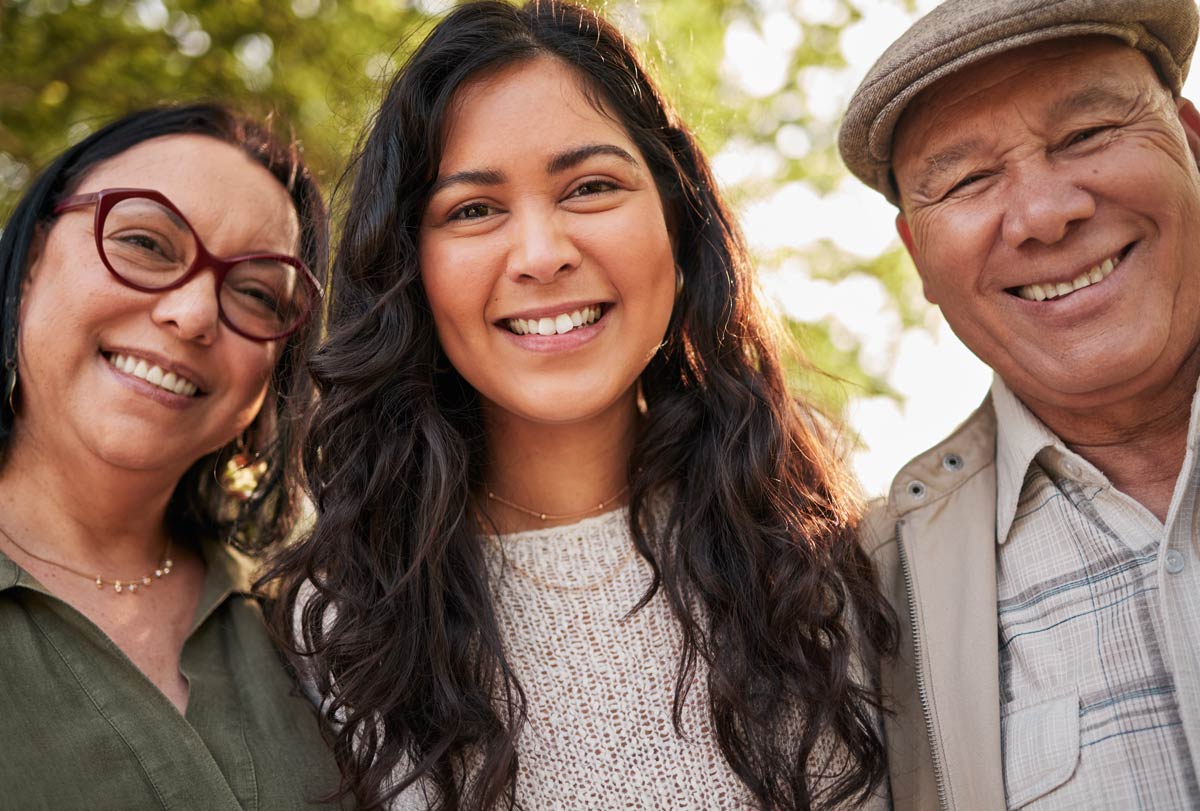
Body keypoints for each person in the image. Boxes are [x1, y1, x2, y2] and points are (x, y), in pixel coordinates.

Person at [266, 2, 896, 809]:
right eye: (473, 209)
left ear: (678, 220)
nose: (541, 255)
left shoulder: (833, 557)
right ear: (408, 267)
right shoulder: (333, 629)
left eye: (591, 187)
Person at [838, 0, 1200, 808]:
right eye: (967, 181)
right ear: (917, 259)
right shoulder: (877, 604)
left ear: (1191, 140)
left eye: (1087, 134)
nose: (1044, 214)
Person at [0, 103, 344, 808]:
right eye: (148, 244)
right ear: (34, 261)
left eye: (254, 292)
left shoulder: (314, 623)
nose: (191, 314)